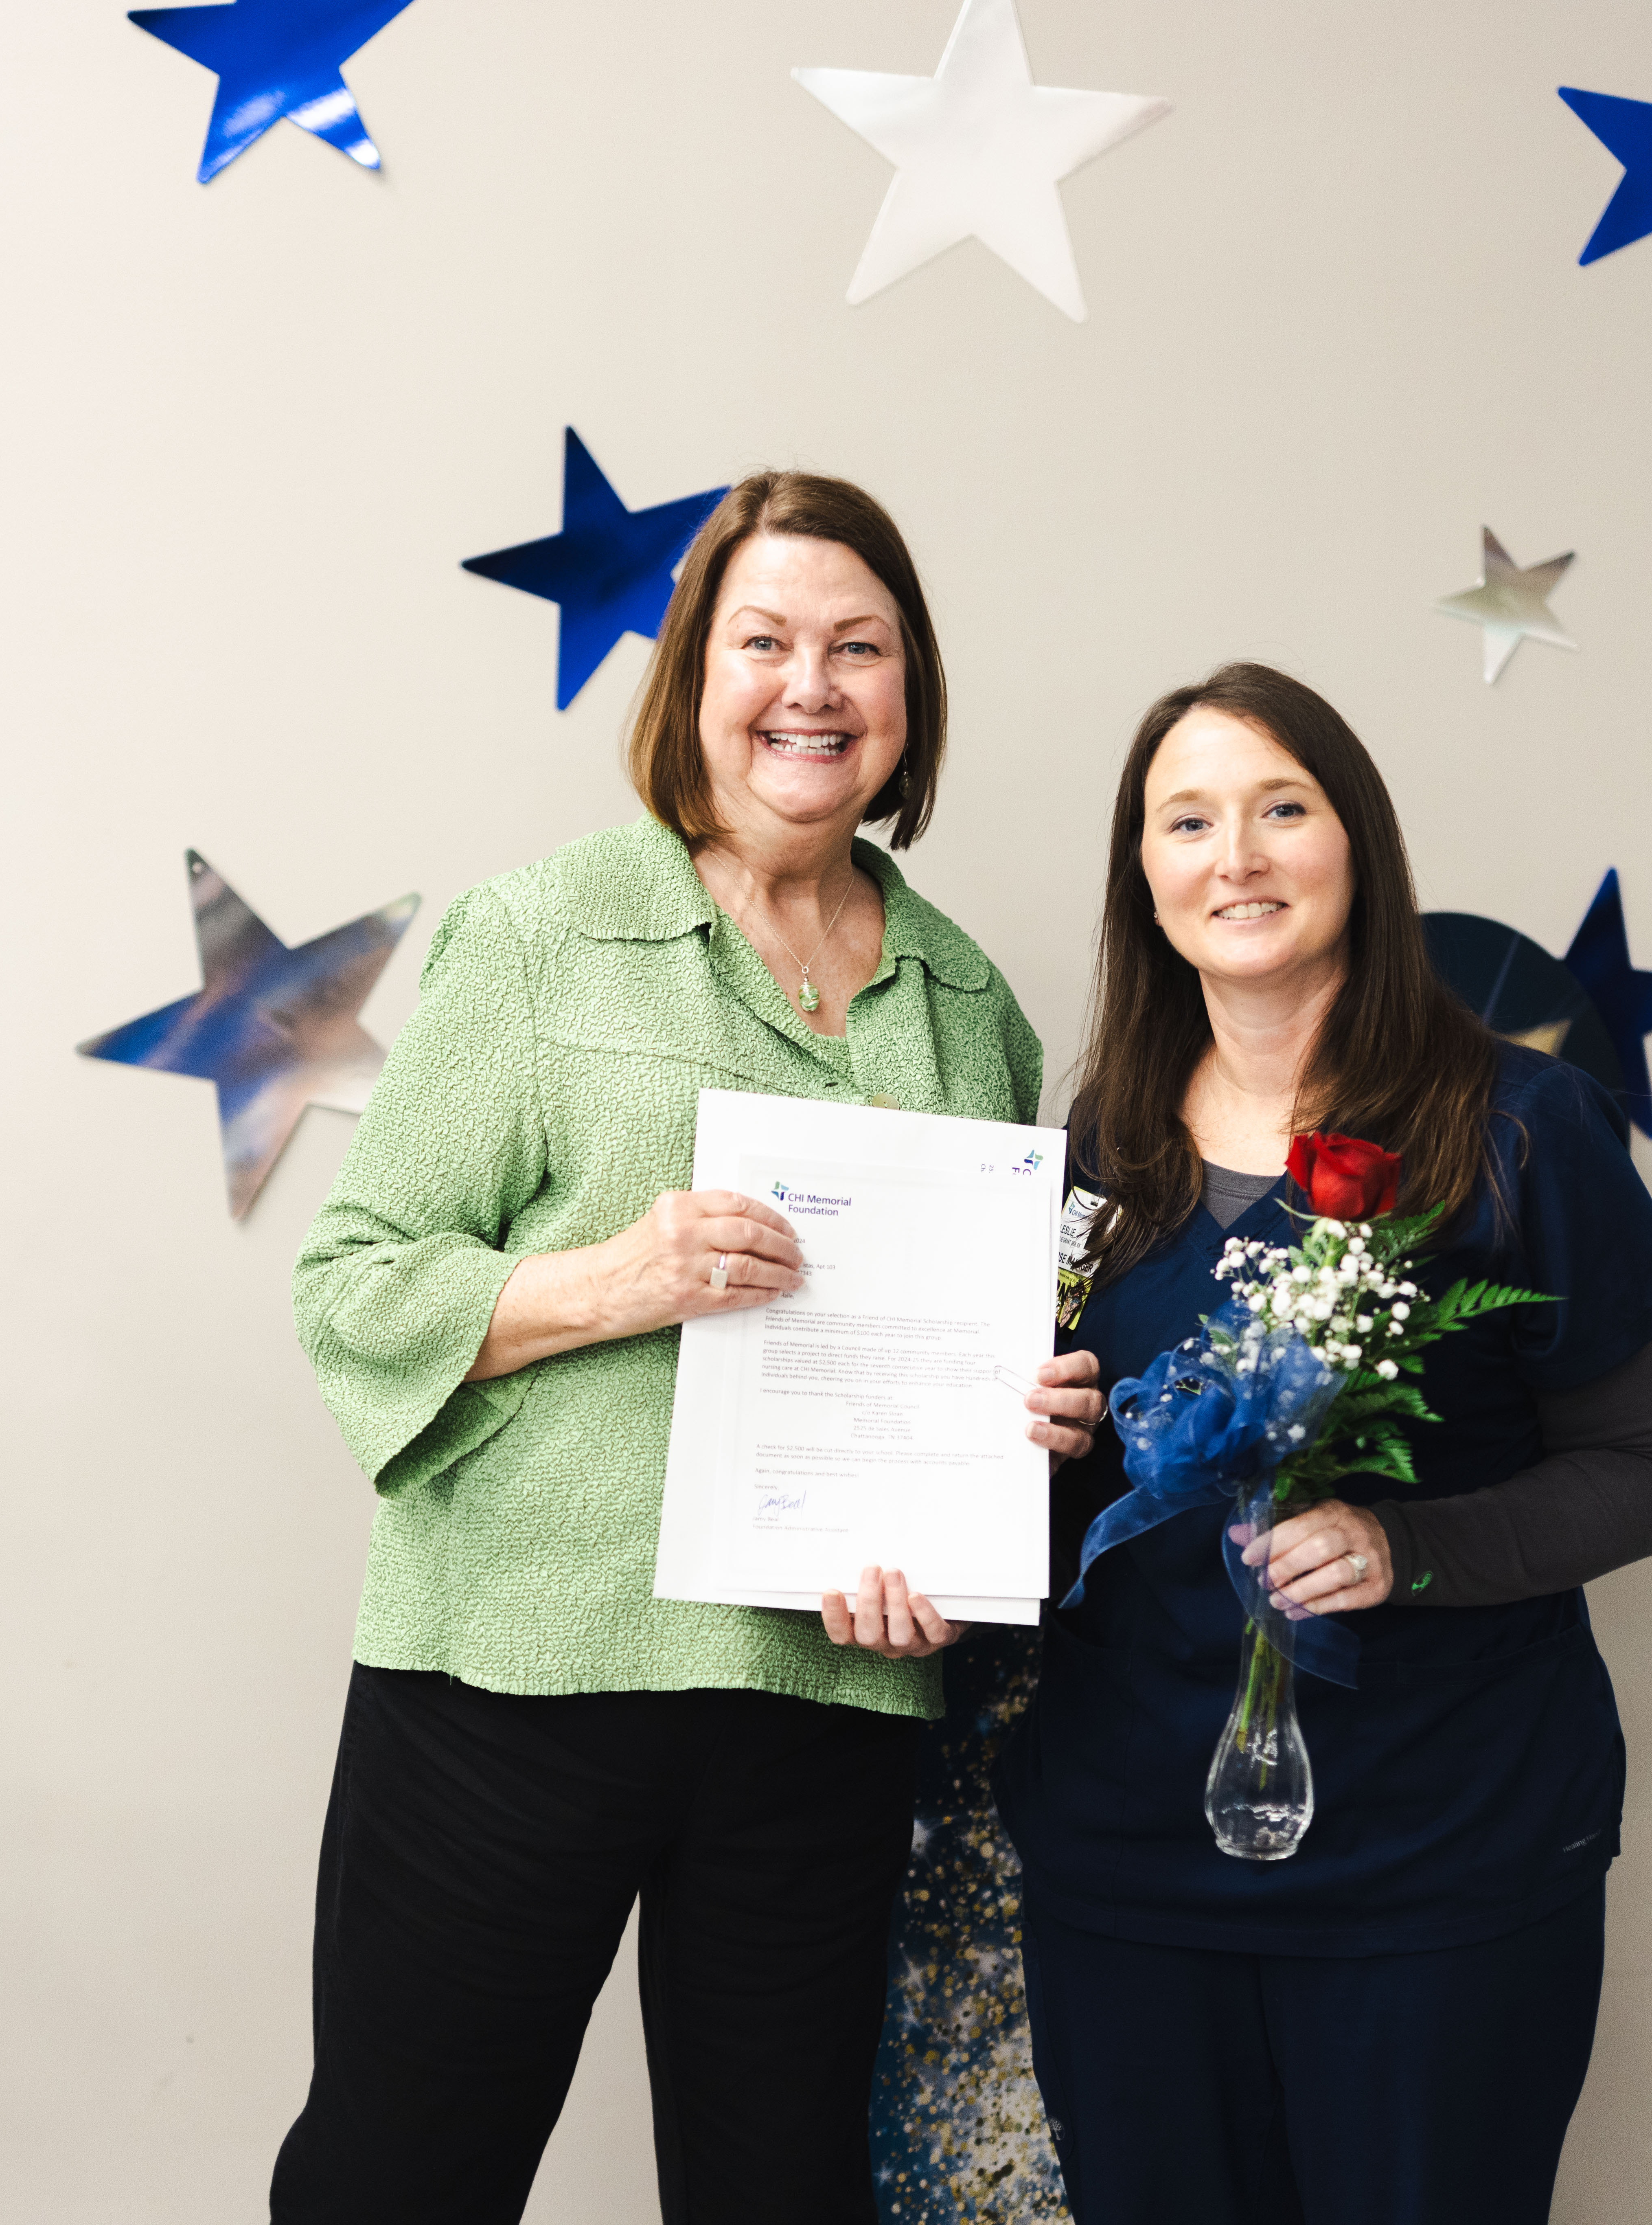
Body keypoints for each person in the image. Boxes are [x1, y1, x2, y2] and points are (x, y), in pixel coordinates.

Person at [272, 471, 1104, 2225]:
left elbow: (965, 1355)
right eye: (766, 642)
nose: (812, 686)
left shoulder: (973, 1008)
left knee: (779, 2195)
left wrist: (1009, 1455)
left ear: (909, 691)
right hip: (515, 1680)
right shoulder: (536, 932)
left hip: (824, 1705)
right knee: (397, 2182)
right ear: (694, 679)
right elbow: (352, 1283)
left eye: (858, 647)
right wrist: (614, 1278)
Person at [995, 663, 1652, 2225]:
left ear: (1358, 844)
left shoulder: (1521, 1127)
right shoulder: (1094, 1148)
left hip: (1440, 1863)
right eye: (1188, 822)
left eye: (1281, 809)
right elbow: (1059, 1513)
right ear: (1144, 876)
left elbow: (1650, 1471)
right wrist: (1021, 1456)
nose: (1236, 857)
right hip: (1129, 1865)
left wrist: (1407, 1547)